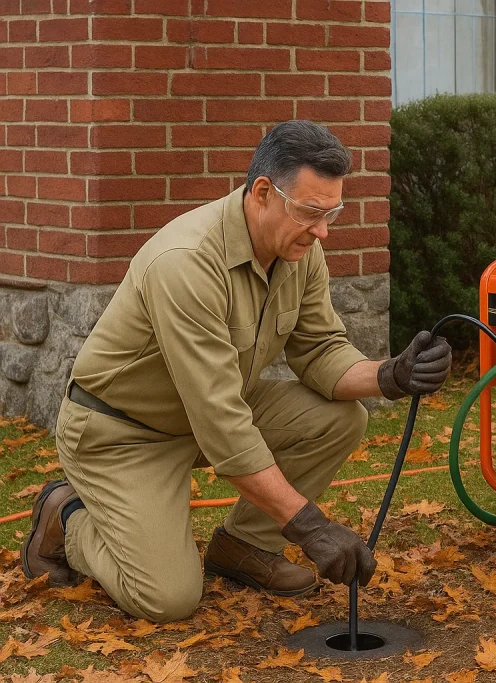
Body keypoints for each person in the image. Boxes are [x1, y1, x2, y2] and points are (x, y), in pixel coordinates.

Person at [20, 120, 451, 623]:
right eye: (312, 212)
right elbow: (223, 425)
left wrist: (391, 375)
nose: (323, 231)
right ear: (264, 192)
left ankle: (243, 547)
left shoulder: (299, 249)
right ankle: (65, 518)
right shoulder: (185, 264)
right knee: (168, 599)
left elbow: (318, 351)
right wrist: (308, 526)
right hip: (121, 434)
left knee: (341, 417)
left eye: (332, 212)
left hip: (203, 416)